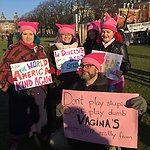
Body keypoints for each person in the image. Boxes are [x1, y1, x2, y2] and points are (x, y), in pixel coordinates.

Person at [49, 53, 147, 150]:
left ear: (97, 69)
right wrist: (61, 112)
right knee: (55, 141)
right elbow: (67, 117)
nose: (84, 68)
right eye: (83, 65)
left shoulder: (109, 90)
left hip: (102, 137)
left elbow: (124, 116)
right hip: (79, 134)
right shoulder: (74, 88)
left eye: (88, 65)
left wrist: (140, 108)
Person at [0, 21, 49, 150]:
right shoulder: (12, 48)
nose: (28, 37)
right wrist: (8, 78)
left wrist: (49, 71)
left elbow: (45, 66)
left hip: (37, 87)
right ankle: (16, 138)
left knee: (39, 111)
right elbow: (4, 66)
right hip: (18, 88)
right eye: (25, 34)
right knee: (17, 113)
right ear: (20, 35)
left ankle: (40, 131)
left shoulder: (40, 49)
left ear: (35, 35)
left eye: (30, 34)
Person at [46, 23, 80, 134]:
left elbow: (83, 62)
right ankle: (58, 126)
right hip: (58, 81)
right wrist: (53, 70)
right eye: (63, 35)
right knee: (58, 105)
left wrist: (81, 69)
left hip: (74, 80)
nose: (66, 37)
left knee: (74, 105)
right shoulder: (53, 49)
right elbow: (48, 63)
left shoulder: (78, 48)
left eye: (68, 35)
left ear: (72, 36)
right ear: (60, 36)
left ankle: (74, 127)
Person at [93, 13, 131, 92]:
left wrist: (122, 71)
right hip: (100, 80)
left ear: (114, 33)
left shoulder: (120, 46)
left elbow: (127, 63)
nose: (105, 34)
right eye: (103, 32)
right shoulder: (97, 46)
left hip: (115, 81)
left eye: (108, 32)